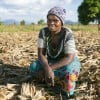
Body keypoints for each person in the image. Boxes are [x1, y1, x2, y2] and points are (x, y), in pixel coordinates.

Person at [29, 6, 81, 98]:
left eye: (55, 20)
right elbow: (41, 54)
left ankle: (64, 88)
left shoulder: (67, 34)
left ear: (61, 22)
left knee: (69, 72)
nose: (51, 23)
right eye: (49, 20)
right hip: (51, 61)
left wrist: (49, 69)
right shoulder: (44, 32)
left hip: (67, 63)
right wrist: (47, 68)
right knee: (33, 67)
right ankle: (56, 80)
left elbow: (69, 58)